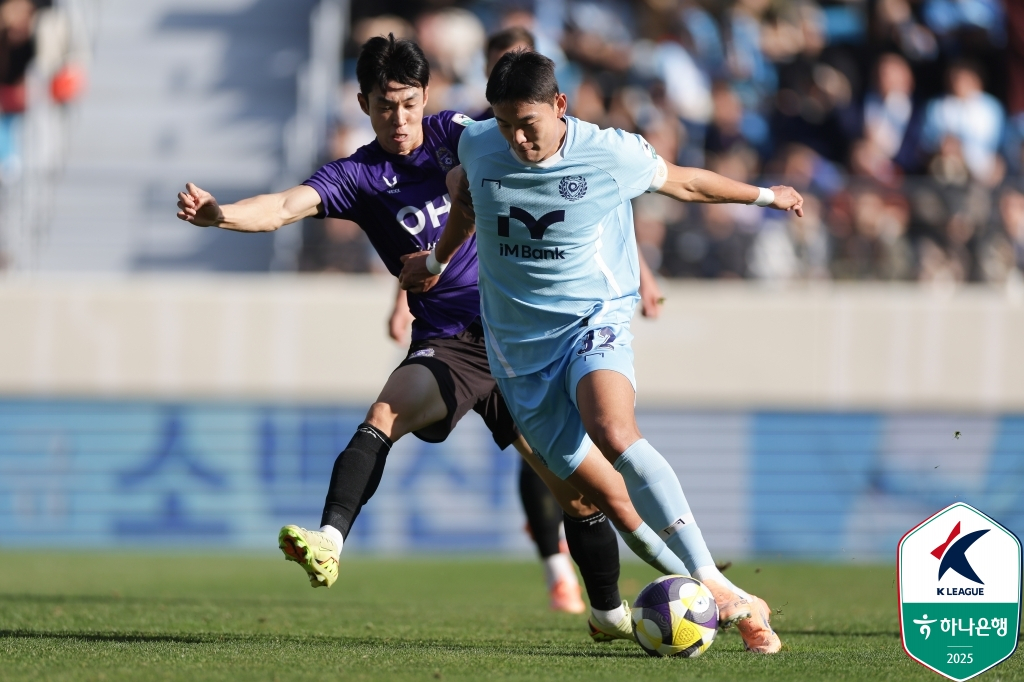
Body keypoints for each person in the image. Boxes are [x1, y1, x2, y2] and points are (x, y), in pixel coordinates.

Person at [176, 34, 691, 642]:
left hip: (523, 335)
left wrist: (640, 267)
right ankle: (330, 539)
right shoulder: (359, 175)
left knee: (585, 498)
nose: (399, 120)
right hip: (451, 342)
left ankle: (612, 611)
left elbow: (566, 169)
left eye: (410, 104)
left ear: (428, 97)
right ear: (364, 103)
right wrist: (222, 215)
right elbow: (286, 204)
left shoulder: (460, 134)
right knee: (385, 413)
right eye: (385, 106)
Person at [401, 49, 805, 653]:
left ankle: (713, 580)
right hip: (517, 351)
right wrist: (434, 260)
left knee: (613, 429)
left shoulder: (610, 152)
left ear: (560, 106)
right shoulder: (479, 145)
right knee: (604, 500)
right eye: (506, 122)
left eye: (529, 123)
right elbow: (467, 206)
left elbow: (686, 182)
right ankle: (731, 599)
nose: (517, 138)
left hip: (595, 320)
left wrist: (767, 197)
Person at [384, 25, 667, 616]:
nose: (515, 130)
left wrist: (642, 272)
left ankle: (643, 583)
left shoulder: (569, 144)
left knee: (568, 455)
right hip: (491, 322)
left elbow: (591, 211)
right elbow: (447, 207)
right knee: (543, 450)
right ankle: (564, 566)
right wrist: (412, 284)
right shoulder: (478, 137)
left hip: (561, 317)